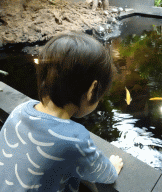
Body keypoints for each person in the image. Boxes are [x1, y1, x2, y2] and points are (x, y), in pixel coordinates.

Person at [0, 32, 123, 191]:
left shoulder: (20, 110)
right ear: (92, 89)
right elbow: (105, 174)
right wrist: (112, 166)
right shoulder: (74, 139)